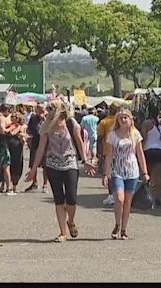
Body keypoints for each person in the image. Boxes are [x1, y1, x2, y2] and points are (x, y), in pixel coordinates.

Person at [25, 99, 96, 242]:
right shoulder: (45, 127)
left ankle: (71, 221)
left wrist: (85, 160)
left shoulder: (71, 123)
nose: (48, 110)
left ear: (59, 109)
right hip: (52, 165)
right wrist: (33, 170)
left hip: (70, 163)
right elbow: (41, 149)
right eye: (48, 108)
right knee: (58, 199)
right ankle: (63, 232)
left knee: (71, 199)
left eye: (52, 108)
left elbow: (79, 142)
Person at [102, 108, 150, 240]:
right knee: (119, 198)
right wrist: (106, 174)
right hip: (117, 170)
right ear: (117, 119)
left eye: (126, 117)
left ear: (130, 120)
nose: (123, 120)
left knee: (128, 201)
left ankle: (124, 229)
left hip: (132, 171)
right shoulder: (112, 135)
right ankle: (117, 223)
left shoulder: (135, 134)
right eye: (121, 117)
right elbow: (109, 155)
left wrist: (144, 172)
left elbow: (140, 154)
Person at [140, 106, 161, 207]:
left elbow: (143, 137)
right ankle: (157, 196)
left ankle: (149, 195)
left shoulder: (146, 124)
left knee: (148, 174)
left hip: (148, 151)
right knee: (159, 176)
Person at [97, 102, 121, 206]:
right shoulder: (121, 121)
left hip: (108, 151)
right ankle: (118, 193)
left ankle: (111, 194)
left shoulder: (104, 122)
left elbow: (100, 138)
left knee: (110, 174)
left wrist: (99, 151)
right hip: (121, 151)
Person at [25, 103, 49, 193]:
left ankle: (45, 184)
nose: (39, 111)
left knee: (45, 165)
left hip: (45, 144)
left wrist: (44, 119)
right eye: (38, 109)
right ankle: (34, 183)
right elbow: (29, 129)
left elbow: (50, 129)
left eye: (41, 109)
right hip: (35, 143)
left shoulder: (48, 117)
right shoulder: (33, 117)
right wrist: (28, 137)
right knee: (32, 164)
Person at [6, 112, 26, 193]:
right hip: (8, 147)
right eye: (12, 116)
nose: (13, 118)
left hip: (17, 148)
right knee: (6, 166)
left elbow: (22, 137)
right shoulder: (8, 125)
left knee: (17, 166)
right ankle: (6, 184)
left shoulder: (21, 127)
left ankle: (14, 185)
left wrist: (22, 136)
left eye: (15, 117)